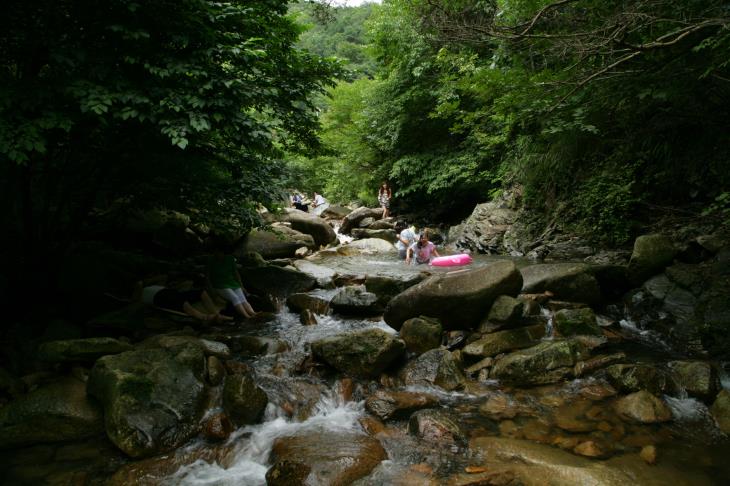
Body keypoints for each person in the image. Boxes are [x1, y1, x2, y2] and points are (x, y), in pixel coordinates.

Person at [134, 282, 231, 324]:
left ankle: (216, 314)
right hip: (159, 297)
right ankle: (205, 317)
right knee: (180, 302)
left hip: (169, 292)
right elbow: (136, 300)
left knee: (201, 292)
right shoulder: (140, 294)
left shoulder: (150, 286)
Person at [206, 241, 257, 319]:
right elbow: (207, 276)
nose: (217, 254)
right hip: (220, 285)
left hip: (232, 283)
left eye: (219, 252)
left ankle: (253, 314)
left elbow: (236, 274)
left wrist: (241, 286)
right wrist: (211, 289)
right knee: (235, 298)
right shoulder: (211, 260)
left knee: (243, 299)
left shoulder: (230, 259)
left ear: (223, 252)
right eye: (216, 252)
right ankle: (247, 316)